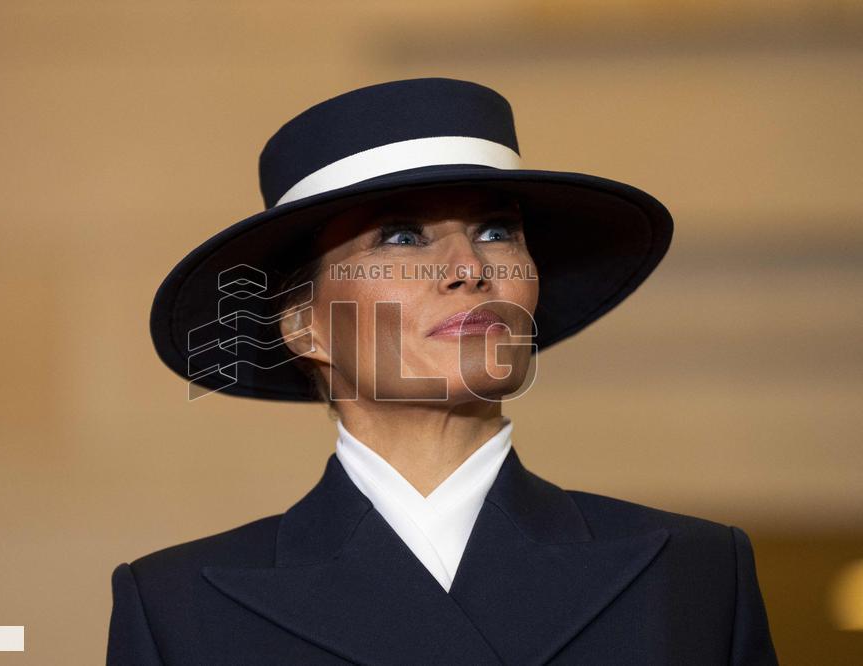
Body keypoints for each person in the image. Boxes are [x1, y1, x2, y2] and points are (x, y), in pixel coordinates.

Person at [108, 77, 778, 664]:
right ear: (303, 324)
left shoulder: (694, 576)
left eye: (496, 231)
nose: (468, 268)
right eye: (400, 237)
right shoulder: (178, 609)